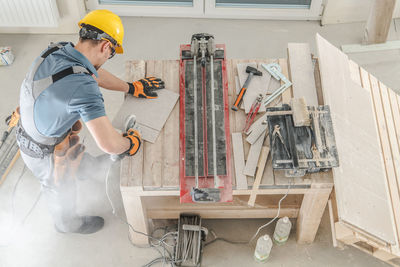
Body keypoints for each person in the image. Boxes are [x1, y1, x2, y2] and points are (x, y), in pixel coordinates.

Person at [16, 9, 164, 234]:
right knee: (59, 185)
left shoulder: (59, 50)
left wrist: (130, 87)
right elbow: (109, 144)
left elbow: (90, 72)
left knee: (76, 158)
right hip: (41, 151)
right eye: (112, 53)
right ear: (105, 46)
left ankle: (90, 168)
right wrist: (129, 144)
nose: (108, 58)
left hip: (34, 128)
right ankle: (67, 224)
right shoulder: (83, 88)